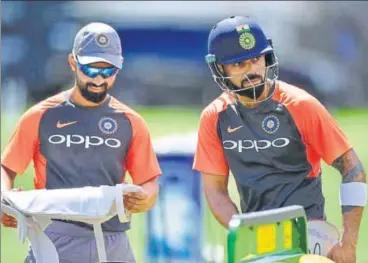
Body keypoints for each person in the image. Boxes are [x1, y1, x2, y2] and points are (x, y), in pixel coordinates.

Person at [193, 16, 366, 263]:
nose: (251, 70)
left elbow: (353, 169)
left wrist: (348, 245)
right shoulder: (214, 117)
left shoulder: (301, 105)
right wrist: (242, 231)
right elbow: (215, 189)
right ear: (220, 69)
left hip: (308, 237)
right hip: (257, 242)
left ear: (267, 57)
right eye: (239, 64)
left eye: (255, 59)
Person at [1, 22, 162, 263]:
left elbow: (149, 182)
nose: (99, 79)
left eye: (108, 71)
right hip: (52, 235)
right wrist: (4, 199)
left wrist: (145, 197)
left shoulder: (131, 122)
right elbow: (7, 167)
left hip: (113, 240)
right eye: (90, 69)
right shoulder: (40, 116)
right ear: (73, 63)